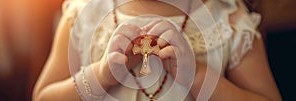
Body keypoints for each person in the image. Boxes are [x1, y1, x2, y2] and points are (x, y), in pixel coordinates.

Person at [33, 0, 282, 101]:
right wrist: (101, 76)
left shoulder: (229, 24)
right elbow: (44, 97)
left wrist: (199, 78)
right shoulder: (84, 16)